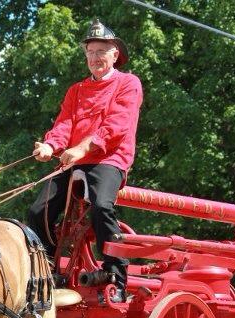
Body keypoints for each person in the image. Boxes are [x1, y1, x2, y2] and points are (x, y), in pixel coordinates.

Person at [27, 18, 143, 302]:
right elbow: (64, 124)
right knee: (36, 211)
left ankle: (116, 275)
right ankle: (49, 269)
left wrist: (82, 148)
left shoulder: (128, 83)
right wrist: (50, 145)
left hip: (109, 159)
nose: (95, 58)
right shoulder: (76, 90)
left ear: (115, 54)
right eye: (90, 53)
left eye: (101, 52)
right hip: (74, 161)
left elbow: (117, 125)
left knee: (102, 206)